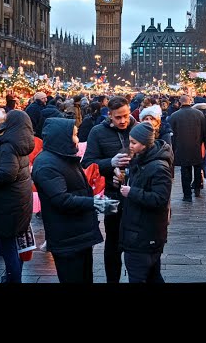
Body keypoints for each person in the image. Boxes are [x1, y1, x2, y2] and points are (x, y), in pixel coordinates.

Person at [31, 118, 111, 283]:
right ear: (63, 137)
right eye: (75, 135)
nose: (77, 139)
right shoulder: (47, 164)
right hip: (67, 238)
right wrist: (95, 203)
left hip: (79, 234)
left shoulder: (64, 157)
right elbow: (61, 199)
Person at [81, 95, 135, 283]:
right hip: (111, 195)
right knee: (112, 240)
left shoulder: (136, 129)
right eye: (118, 117)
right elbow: (88, 163)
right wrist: (109, 163)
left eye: (125, 116)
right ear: (109, 115)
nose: (123, 121)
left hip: (134, 194)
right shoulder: (97, 132)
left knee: (135, 238)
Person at [0, 110, 35, 283]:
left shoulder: (9, 146)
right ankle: (13, 276)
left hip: (8, 204)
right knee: (14, 245)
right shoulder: (21, 143)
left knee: (8, 245)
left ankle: (13, 279)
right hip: (19, 201)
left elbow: (6, 174)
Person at [116, 121, 173, 283]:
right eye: (130, 141)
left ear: (146, 144)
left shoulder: (158, 167)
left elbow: (160, 199)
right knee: (152, 276)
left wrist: (131, 192)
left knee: (140, 275)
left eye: (134, 142)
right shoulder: (141, 161)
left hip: (144, 233)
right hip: (141, 232)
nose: (130, 146)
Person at [167, 95, 206, 201]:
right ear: (190, 101)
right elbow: (204, 131)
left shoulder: (174, 115)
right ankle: (197, 189)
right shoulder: (199, 114)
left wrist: (174, 147)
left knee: (185, 172)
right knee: (197, 168)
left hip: (181, 147)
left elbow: (171, 134)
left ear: (180, 102)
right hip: (196, 146)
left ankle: (187, 195)